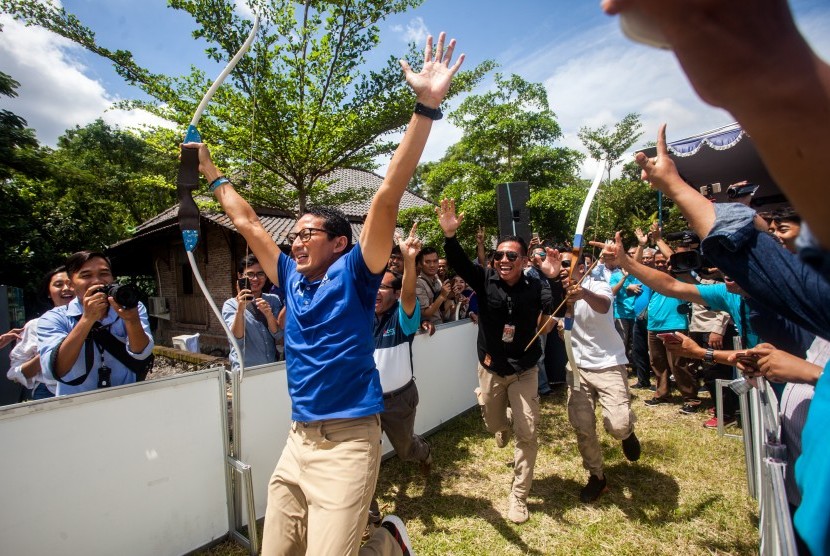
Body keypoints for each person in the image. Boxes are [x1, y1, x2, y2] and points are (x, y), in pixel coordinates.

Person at [185, 32, 464, 555]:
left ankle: (385, 540)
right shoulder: (289, 274)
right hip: (298, 442)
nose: (296, 239)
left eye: (308, 232)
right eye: (294, 233)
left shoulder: (358, 271)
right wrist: (211, 170)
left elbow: (386, 195)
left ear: (339, 242)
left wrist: (426, 104)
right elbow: (245, 221)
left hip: (350, 442)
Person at [438, 198, 562, 524]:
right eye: (499, 255)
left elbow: (552, 312)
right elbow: (462, 264)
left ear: (523, 260)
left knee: (529, 432)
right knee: (495, 425)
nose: (504, 260)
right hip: (491, 366)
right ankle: (499, 420)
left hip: (525, 369)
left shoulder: (536, 284)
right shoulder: (485, 279)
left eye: (511, 255)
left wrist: (554, 278)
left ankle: (519, 496)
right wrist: (450, 237)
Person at [559, 252, 640, 503]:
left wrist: (582, 293)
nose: (564, 269)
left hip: (608, 364)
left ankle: (626, 432)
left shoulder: (598, 284)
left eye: (568, 264)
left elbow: (604, 304)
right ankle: (597, 476)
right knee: (582, 426)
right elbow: (560, 324)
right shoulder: (558, 292)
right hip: (576, 367)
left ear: (583, 267)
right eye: (561, 265)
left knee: (617, 425)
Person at [368, 226, 432, 530]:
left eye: (383, 288)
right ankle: (370, 514)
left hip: (400, 400)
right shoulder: (361, 317)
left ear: (394, 294)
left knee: (405, 450)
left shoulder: (404, 318)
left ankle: (424, 451)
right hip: (366, 403)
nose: (376, 292)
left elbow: (409, 293)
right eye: (374, 287)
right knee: (365, 459)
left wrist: (409, 260)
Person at [38, 251, 154, 396]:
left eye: (104, 274)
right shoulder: (53, 318)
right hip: (77, 405)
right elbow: (56, 369)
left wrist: (132, 320)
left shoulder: (131, 307)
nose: (97, 281)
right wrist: (87, 320)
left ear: (112, 278)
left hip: (126, 398)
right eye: (86, 275)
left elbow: (141, 353)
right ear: (72, 284)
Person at [7, 267, 75, 400]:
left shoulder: (101, 319)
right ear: (49, 293)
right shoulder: (35, 326)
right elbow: (16, 373)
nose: (66, 288)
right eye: (58, 284)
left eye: (71, 283)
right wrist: (48, 355)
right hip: (50, 393)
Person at [221, 254, 283, 370]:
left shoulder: (273, 300)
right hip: (245, 371)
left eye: (260, 274)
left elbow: (278, 334)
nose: (255, 279)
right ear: (240, 276)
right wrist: (240, 309)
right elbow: (236, 339)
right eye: (249, 274)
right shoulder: (230, 305)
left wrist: (269, 315)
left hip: (271, 367)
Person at [416, 246, 451, 326]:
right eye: (427, 262)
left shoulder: (437, 279)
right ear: (421, 264)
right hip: (429, 331)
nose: (432, 265)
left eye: (435, 261)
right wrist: (442, 296)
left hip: (441, 325)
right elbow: (425, 314)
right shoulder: (418, 284)